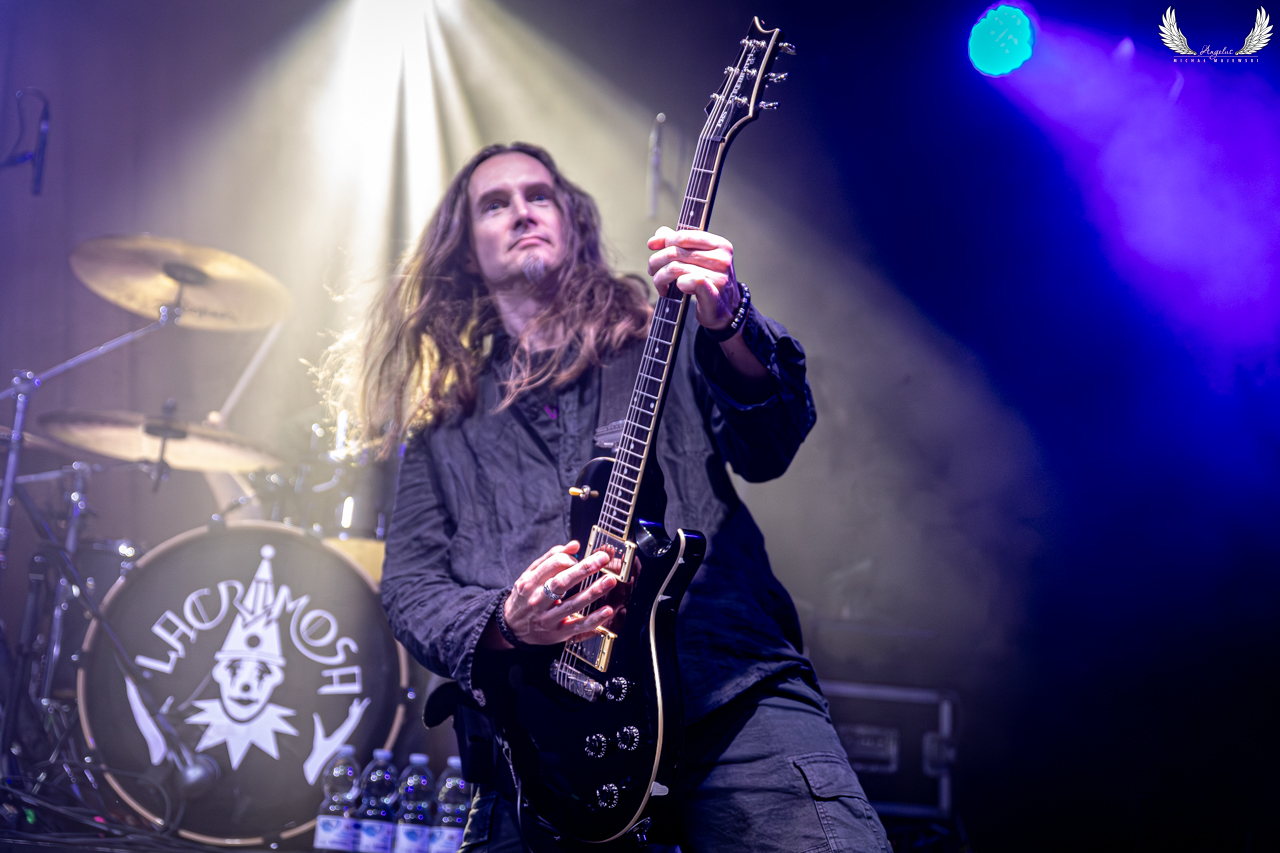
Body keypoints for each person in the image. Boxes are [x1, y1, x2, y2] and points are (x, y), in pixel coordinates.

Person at [358, 142, 889, 852]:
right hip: (539, 751)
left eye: (538, 196)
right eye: (495, 204)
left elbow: (770, 445)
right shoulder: (444, 422)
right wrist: (507, 620)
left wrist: (730, 318)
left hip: (726, 688)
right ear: (465, 250)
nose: (522, 212)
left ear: (572, 220)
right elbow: (411, 586)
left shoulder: (661, 334)